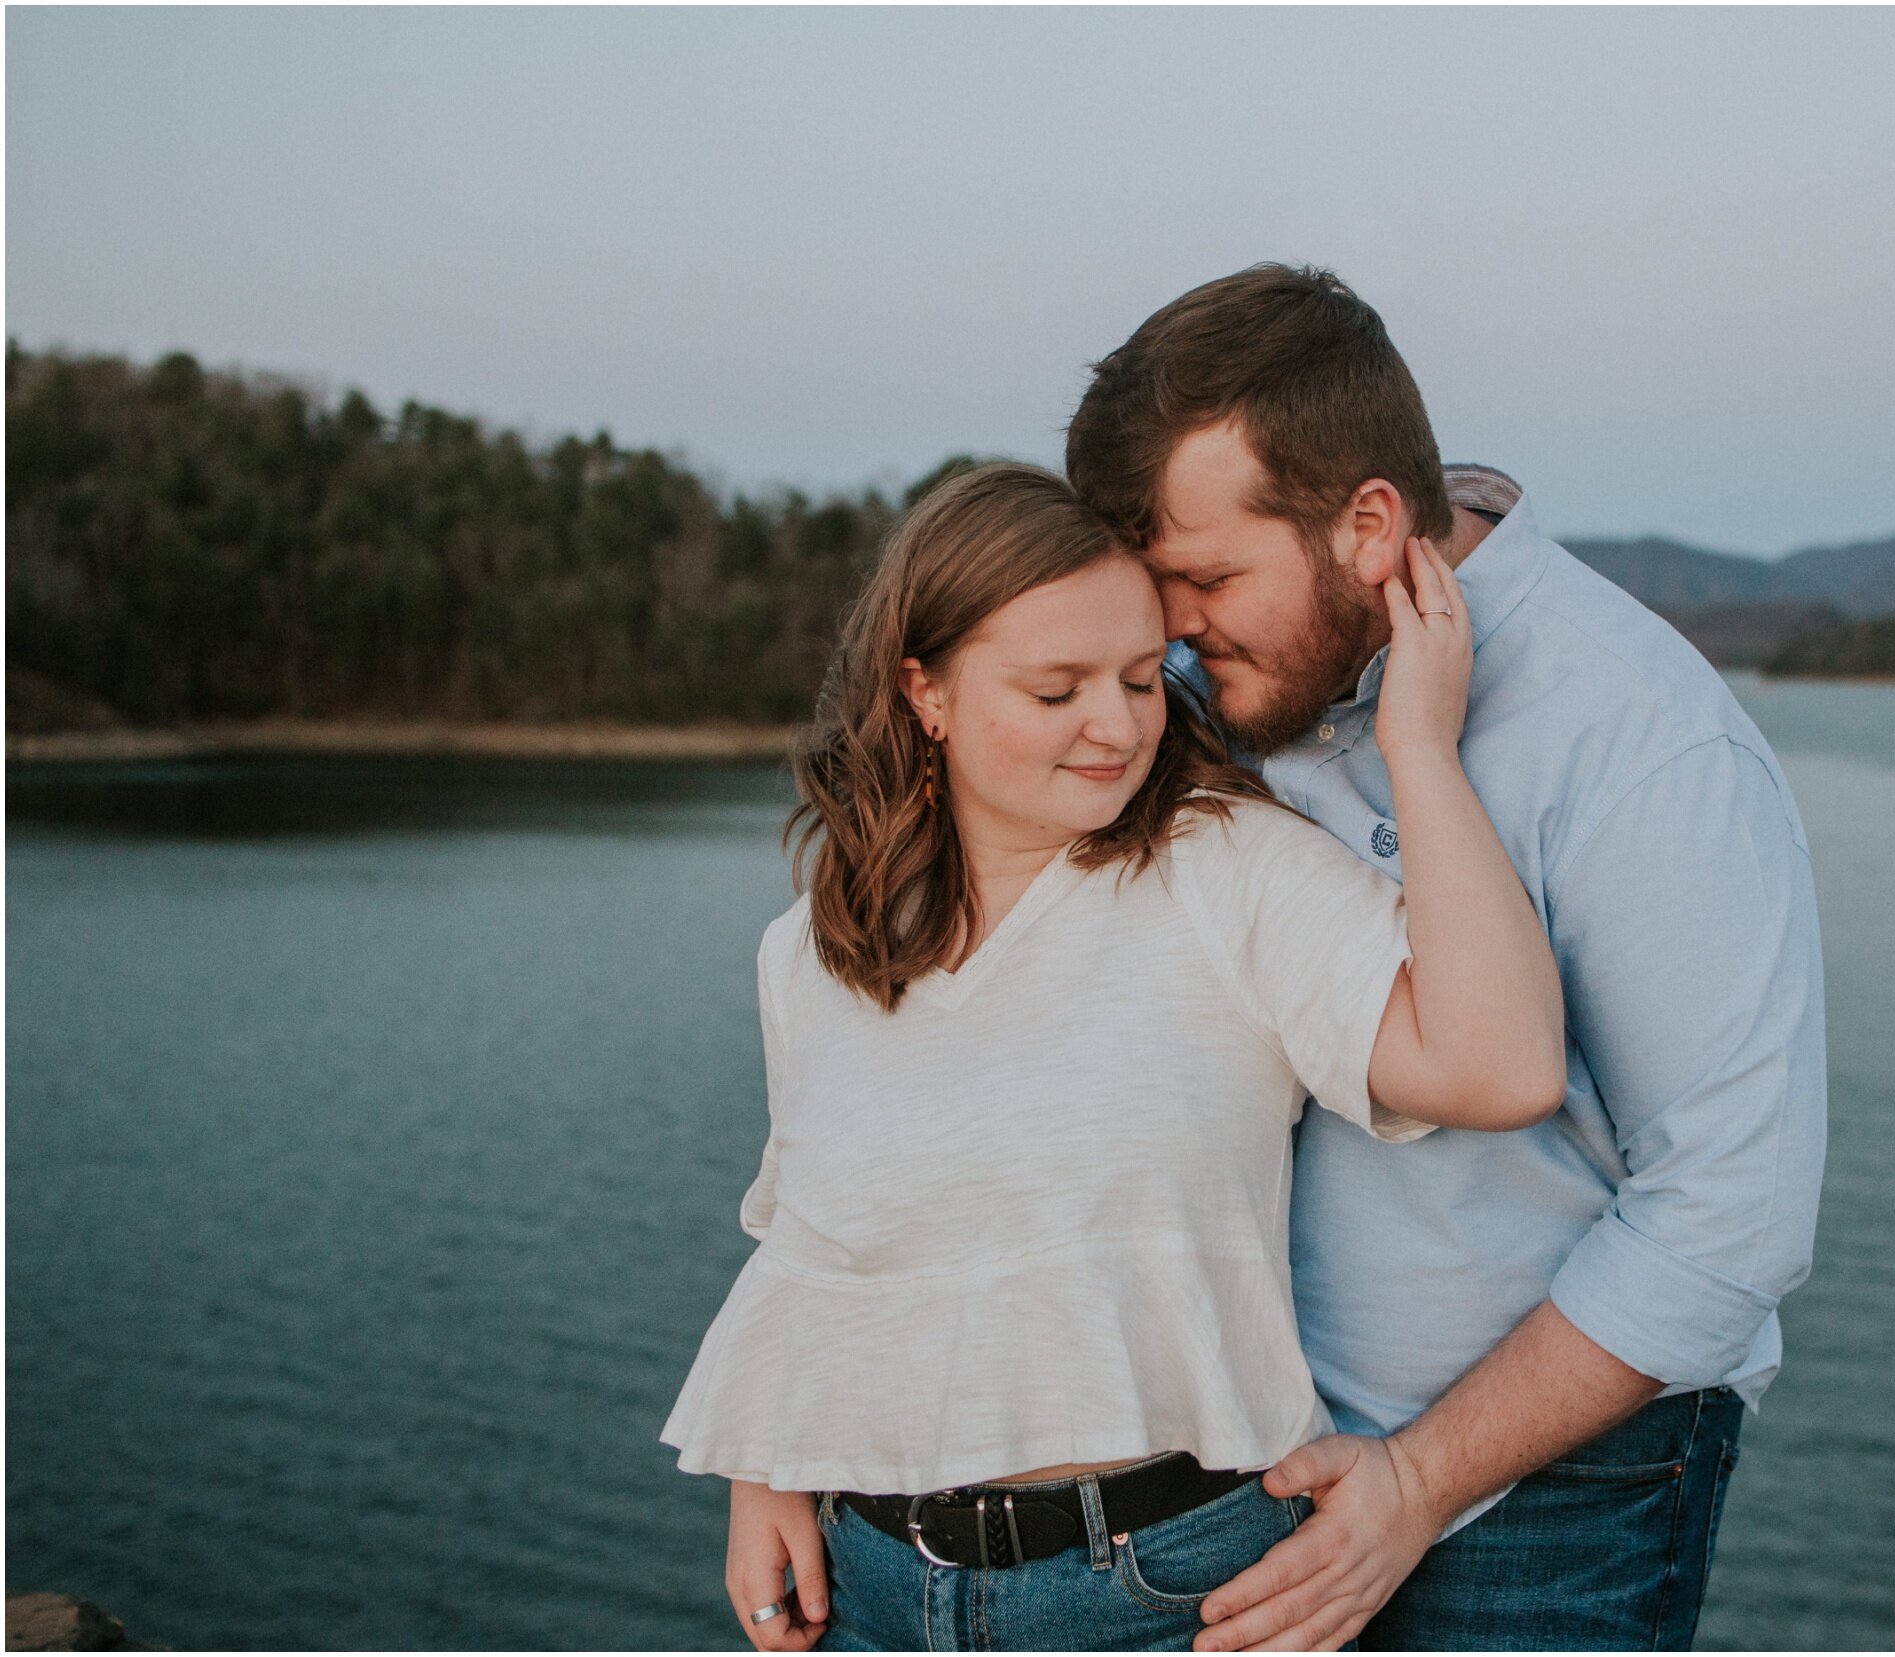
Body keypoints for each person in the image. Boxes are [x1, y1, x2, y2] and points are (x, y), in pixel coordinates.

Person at [658, 461, 1570, 1652]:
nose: (1118, 723)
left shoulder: (1224, 867)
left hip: (1162, 1593)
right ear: (922, 690)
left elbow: (1499, 1066)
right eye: (1057, 689)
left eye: (1142, 677)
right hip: (866, 1584)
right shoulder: (818, 945)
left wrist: (1421, 750)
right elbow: (819, 1245)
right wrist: (764, 1468)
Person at [1063, 264, 1829, 1651]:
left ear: (1369, 525)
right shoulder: (1207, 690)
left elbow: (1735, 1214)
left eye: (1209, 577)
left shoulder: (1643, 741)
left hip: (1545, 1502)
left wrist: (1420, 1479)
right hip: (1242, 1479)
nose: (1171, 627)